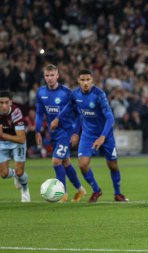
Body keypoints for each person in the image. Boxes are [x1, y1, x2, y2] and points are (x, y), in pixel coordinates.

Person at [50, 69, 128, 203]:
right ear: (78, 81)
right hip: (88, 133)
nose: (85, 83)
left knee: (113, 165)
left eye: (88, 80)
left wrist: (102, 137)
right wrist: (57, 119)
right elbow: (68, 107)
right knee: (83, 164)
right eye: (82, 80)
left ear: (92, 80)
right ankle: (97, 190)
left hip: (105, 133)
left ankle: (117, 193)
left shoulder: (99, 94)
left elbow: (110, 118)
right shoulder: (75, 94)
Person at [36, 64, 86, 202]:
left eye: (52, 75)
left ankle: (62, 194)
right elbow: (39, 113)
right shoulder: (41, 92)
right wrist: (37, 130)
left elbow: (79, 114)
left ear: (57, 76)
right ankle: (80, 189)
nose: (50, 78)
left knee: (56, 161)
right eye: (47, 75)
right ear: (44, 77)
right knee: (65, 162)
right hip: (53, 133)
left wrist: (75, 132)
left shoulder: (66, 93)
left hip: (66, 131)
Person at [0, 90, 30, 202]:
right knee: (3, 174)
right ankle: (14, 175)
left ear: (10, 102)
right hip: (1, 143)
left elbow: (21, 139)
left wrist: (3, 134)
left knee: (20, 172)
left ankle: (25, 190)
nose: (3, 106)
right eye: (1, 102)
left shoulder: (16, 112)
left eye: (6, 102)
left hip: (17, 142)